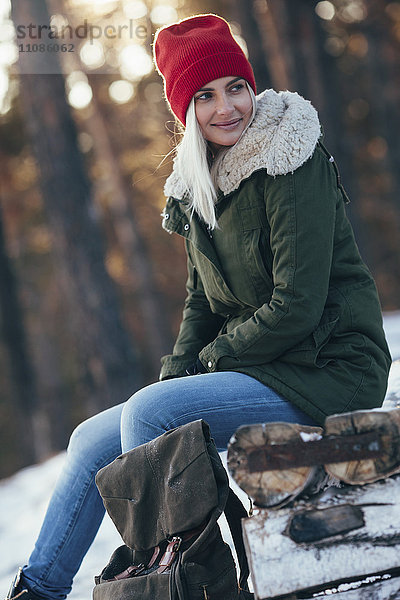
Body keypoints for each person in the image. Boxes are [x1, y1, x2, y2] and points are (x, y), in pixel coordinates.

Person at [6, 13, 391, 600]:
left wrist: (209, 363)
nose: (227, 107)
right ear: (187, 110)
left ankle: (186, 582)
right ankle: (38, 590)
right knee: (91, 437)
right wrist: (177, 371)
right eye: (206, 95)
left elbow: (298, 303)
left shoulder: (290, 157)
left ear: (251, 85)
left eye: (236, 86)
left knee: (153, 418)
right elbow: (200, 304)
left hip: (329, 365)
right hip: (262, 364)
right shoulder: (199, 183)